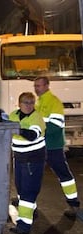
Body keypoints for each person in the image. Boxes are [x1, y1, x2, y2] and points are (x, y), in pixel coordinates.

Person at [34, 76, 81, 218]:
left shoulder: (54, 102)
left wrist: (35, 131)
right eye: (35, 86)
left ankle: (74, 204)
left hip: (53, 146)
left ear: (47, 86)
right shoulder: (39, 102)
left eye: (39, 86)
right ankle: (29, 203)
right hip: (42, 145)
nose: (37, 89)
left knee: (63, 175)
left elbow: (54, 127)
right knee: (34, 175)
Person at [8, 92, 46, 234]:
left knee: (28, 190)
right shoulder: (13, 115)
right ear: (19, 104)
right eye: (26, 102)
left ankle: (23, 225)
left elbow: (32, 136)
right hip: (19, 158)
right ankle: (32, 209)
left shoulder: (37, 117)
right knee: (20, 186)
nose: (29, 105)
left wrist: (15, 129)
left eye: (31, 102)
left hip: (33, 159)